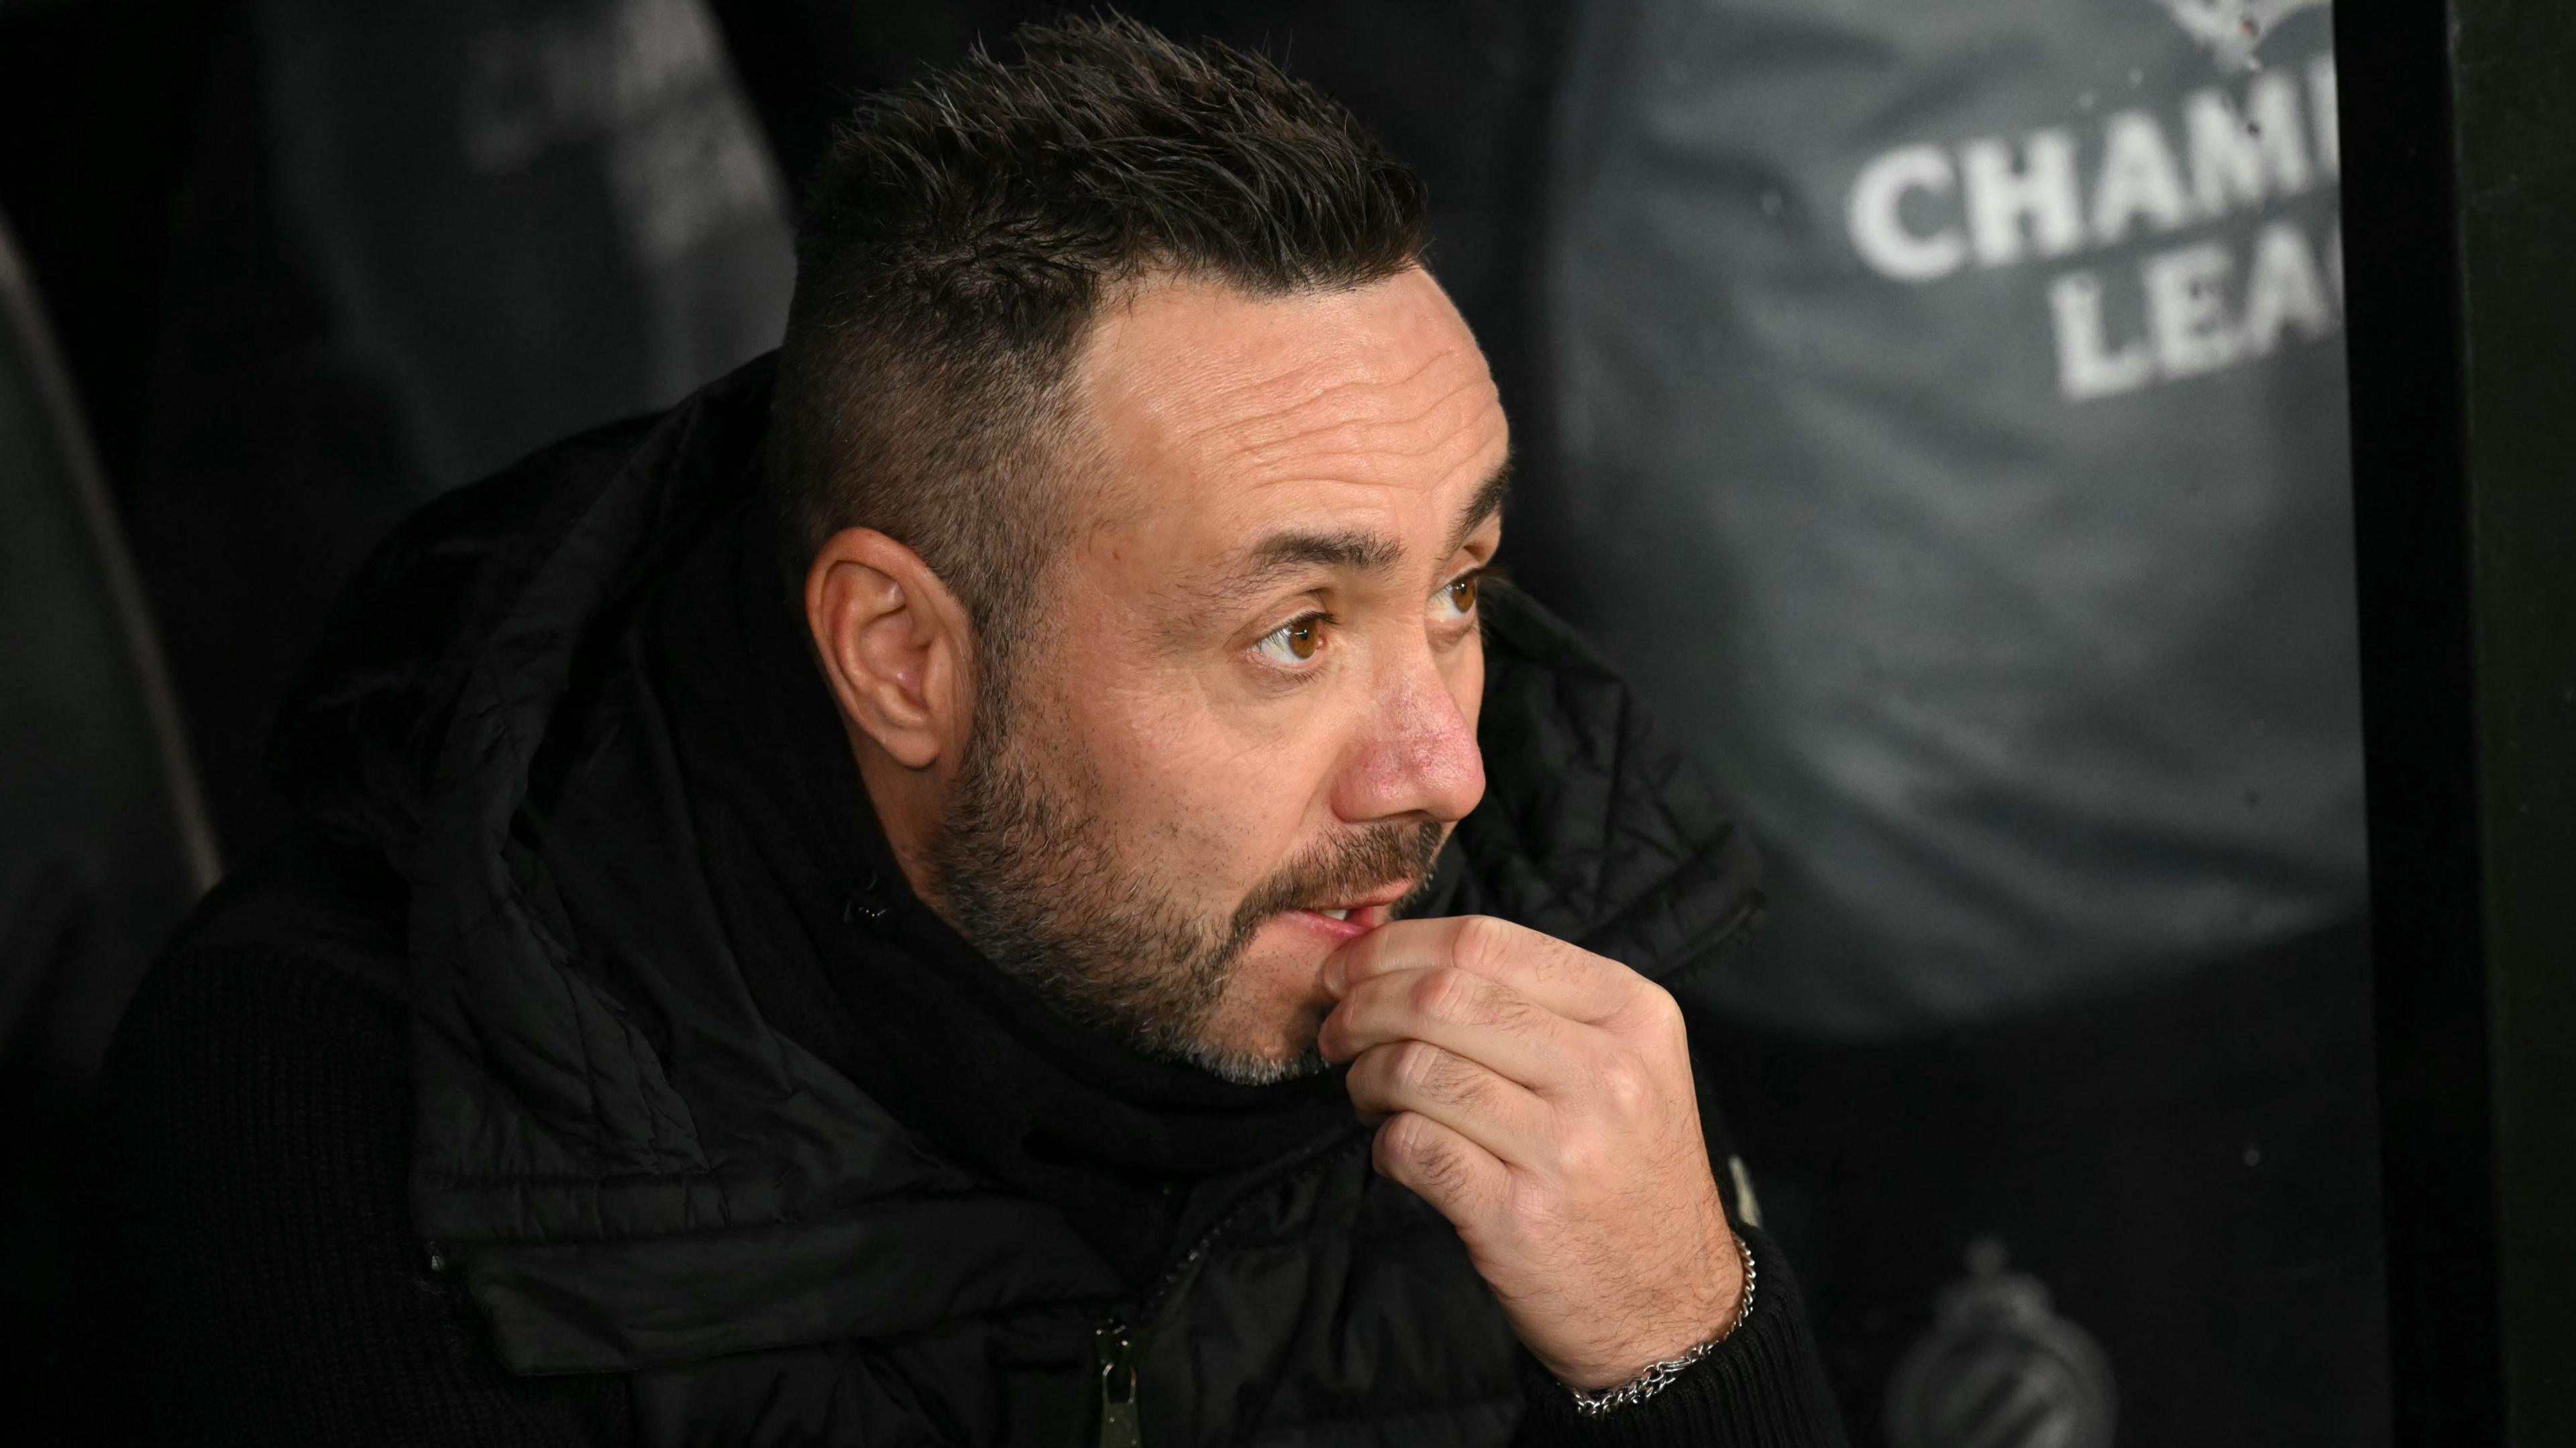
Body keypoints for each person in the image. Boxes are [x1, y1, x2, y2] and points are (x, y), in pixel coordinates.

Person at [66, 17, 1844, 1445]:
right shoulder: (363, 1128)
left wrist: (1684, 1352)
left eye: (1455, 589)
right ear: (904, 658)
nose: (1442, 766)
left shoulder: (1546, 938)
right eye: (1296, 632)